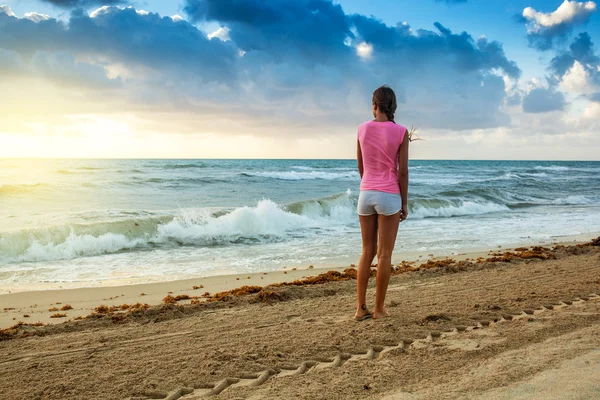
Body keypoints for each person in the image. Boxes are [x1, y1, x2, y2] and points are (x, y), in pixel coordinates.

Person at [354, 85, 409, 321]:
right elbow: (403, 172)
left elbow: (361, 166)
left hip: (365, 193)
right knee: (384, 254)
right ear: (393, 106)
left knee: (367, 252)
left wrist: (369, 184)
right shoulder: (401, 132)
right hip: (388, 195)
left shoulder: (361, 129)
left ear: (374, 106)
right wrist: (404, 203)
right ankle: (378, 310)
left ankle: (360, 308)